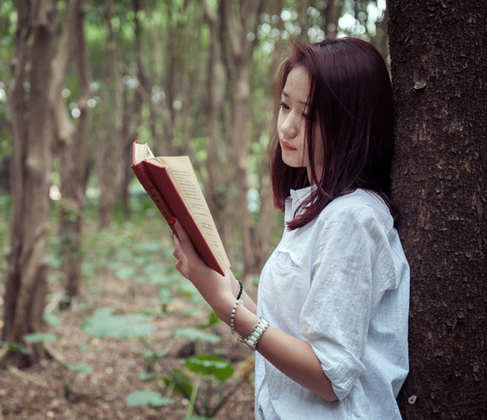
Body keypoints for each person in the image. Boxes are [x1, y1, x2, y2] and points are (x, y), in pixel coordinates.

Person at [171, 37, 410, 419]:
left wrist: (225, 307)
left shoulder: (352, 218)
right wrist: (216, 277)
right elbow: (286, 331)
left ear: (352, 123)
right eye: (285, 105)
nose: (287, 126)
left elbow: (330, 376)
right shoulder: (319, 209)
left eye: (309, 115)